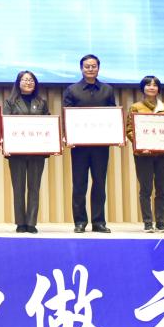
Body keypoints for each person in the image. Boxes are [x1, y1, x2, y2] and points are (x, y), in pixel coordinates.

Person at [63, 54, 116, 233]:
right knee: (79, 184)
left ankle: (98, 222)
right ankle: (80, 222)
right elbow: (67, 116)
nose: (90, 69)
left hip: (101, 145)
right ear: (81, 69)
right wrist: (68, 137)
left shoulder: (107, 90)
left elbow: (113, 116)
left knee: (99, 183)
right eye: (87, 66)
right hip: (79, 146)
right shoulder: (72, 90)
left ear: (98, 68)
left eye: (93, 66)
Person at [2, 70, 50, 234]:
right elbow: (5, 125)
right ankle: (20, 223)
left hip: (37, 151)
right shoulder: (10, 102)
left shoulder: (42, 102)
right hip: (17, 152)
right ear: (18, 83)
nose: (28, 82)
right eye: (25, 80)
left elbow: (48, 124)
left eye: (31, 80)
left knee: (34, 187)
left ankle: (31, 223)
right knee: (19, 187)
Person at [126, 75, 164, 233]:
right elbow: (129, 130)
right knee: (145, 189)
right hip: (143, 155)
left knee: (162, 189)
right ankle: (147, 223)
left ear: (159, 89)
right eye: (148, 85)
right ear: (143, 88)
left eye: (154, 85)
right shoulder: (135, 107)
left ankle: (160, 222)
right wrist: (141, 145)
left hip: (163, 155)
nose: (151, 87)